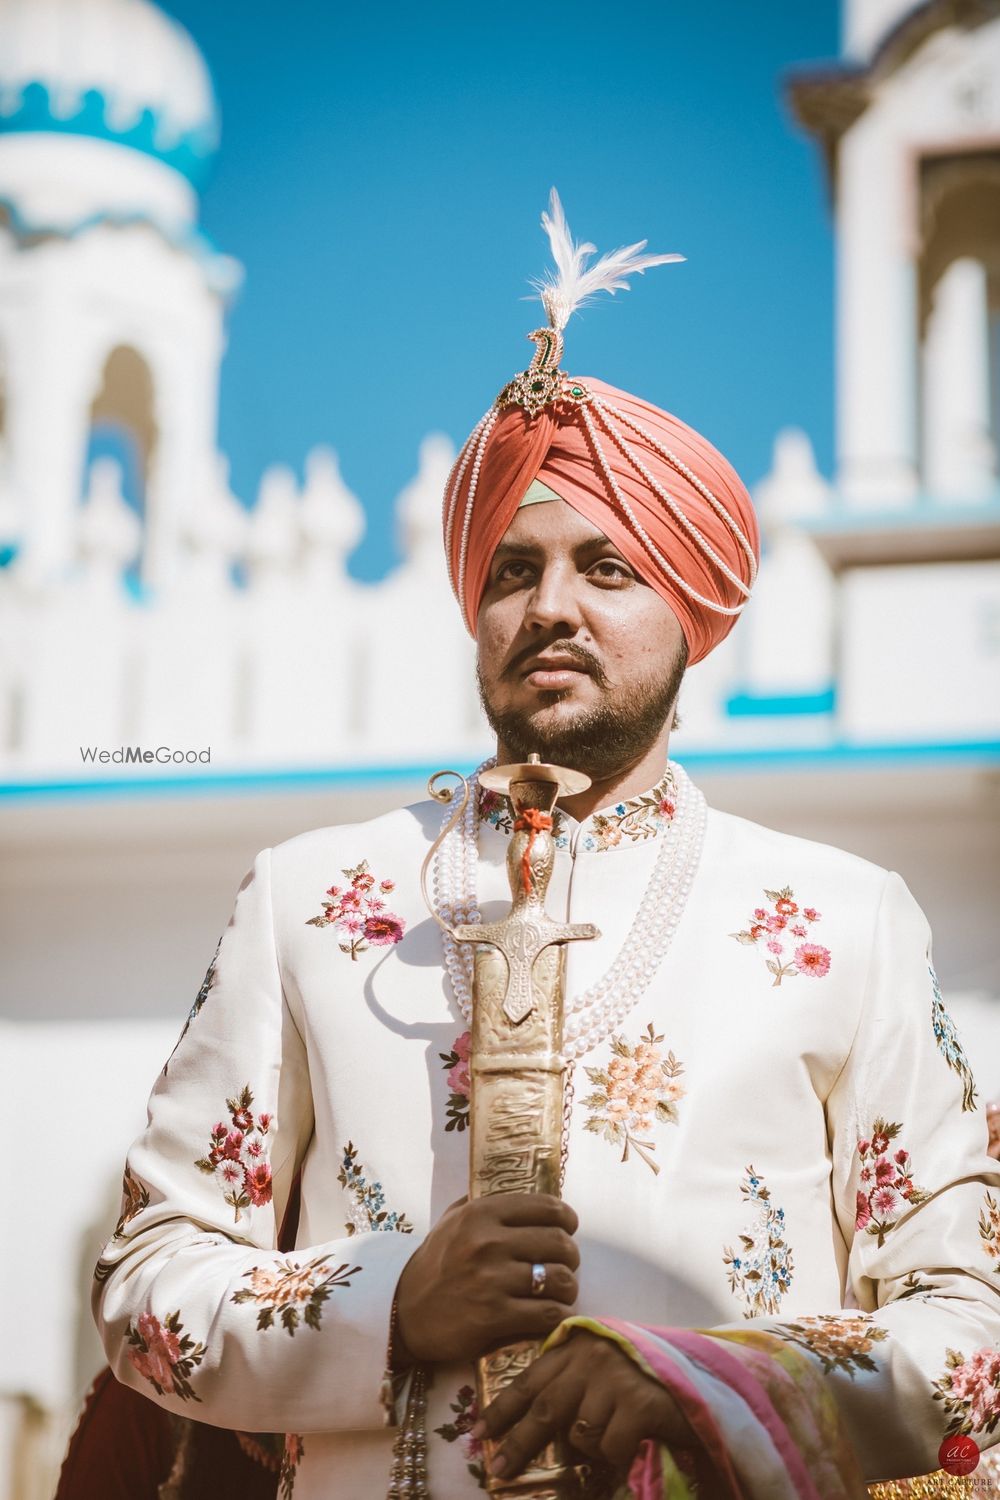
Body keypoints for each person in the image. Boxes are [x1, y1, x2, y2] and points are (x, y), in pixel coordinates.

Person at [94, 192, 1000, 1499]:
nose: (550, 607)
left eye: (608, 570)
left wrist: (699, 1381)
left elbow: (967, 1323)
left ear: (696, 615)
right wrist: (389, 1304)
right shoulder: (311, 898)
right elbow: (143, 1288)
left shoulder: (844, 919)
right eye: (511, 570)